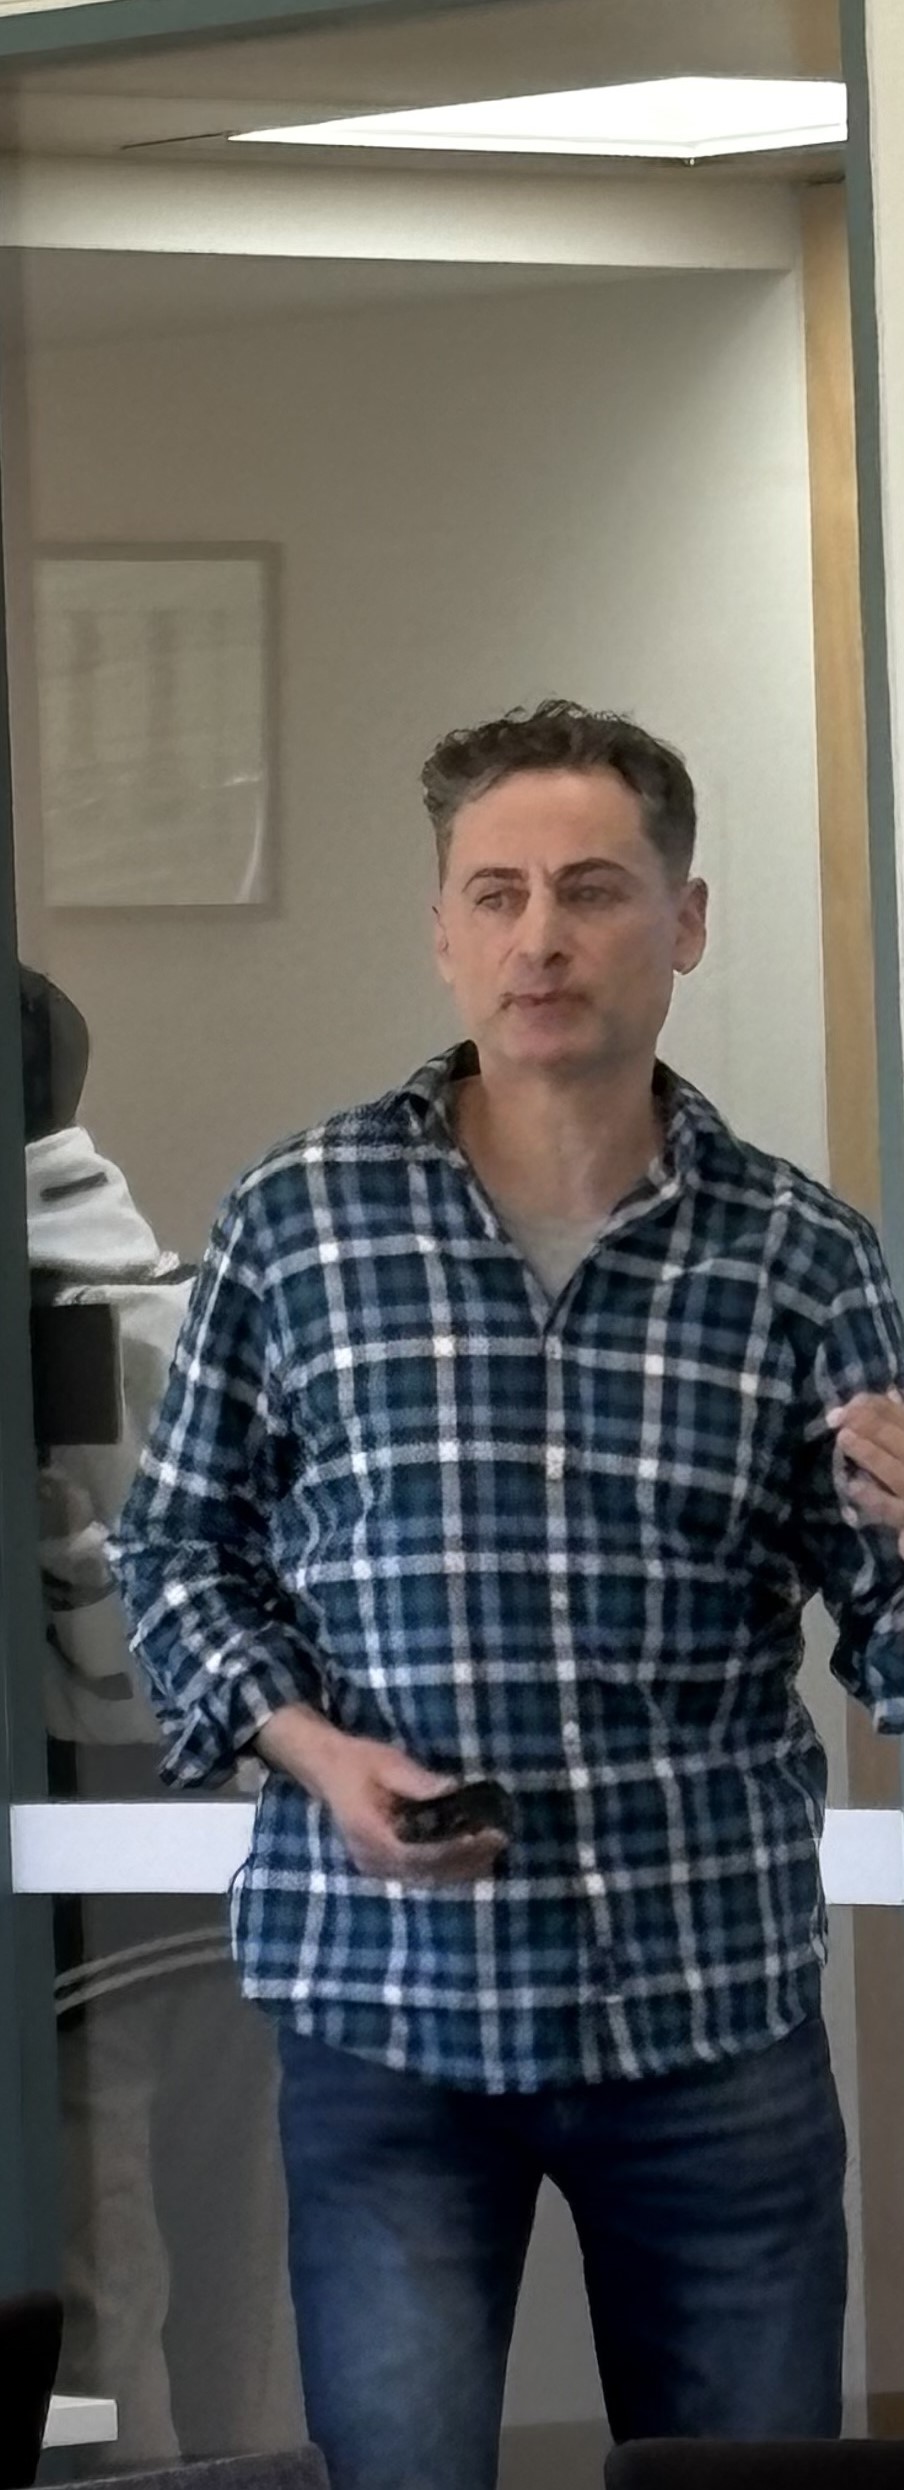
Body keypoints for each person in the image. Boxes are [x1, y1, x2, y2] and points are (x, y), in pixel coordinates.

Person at [112, 700, 904, 2490]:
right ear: (443, 931)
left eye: (593, 890)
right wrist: (314, 1753)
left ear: (684, 921)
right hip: (385, 2011)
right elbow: (173, 1553)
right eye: (499, 893)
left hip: (705, 2014)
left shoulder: (799, 1251)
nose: (541, 936)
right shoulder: (298, 1221)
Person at [22, 965, 301, 2465]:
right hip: (227, 1856)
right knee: (231, 2276)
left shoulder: (43, 1317)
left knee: (99, 2303)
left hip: (80, 1887)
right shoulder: (170, 1286)